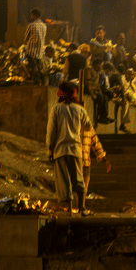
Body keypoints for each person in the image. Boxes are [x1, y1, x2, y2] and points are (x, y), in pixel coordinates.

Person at [46, 81, 87, 216]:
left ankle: (69, 210)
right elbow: (86, 126)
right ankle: (82, 208)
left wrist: (49, 149)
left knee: (64, 181)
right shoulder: (80, 109)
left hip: (60, 150)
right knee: (78, 179)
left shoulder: (56, 109)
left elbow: (51, 131)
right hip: (75, 149)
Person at [79, 116, 108, 206]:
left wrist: (105, 160)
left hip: (85, 163)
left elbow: (96, 143)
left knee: (84, 187)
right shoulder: (70, 127)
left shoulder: (88, 128)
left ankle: (81, 207)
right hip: (74, 162)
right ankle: (75, 208)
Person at [24, 9, 47, 81]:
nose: (31, 16)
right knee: (39, 68)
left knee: (32, 69)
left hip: (31, 52)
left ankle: (35, 84)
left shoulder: (31, 25)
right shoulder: (44, 26)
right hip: (40, 52)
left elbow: (26, 38)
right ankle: (42, 83)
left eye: (31, 15)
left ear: (34, 15)